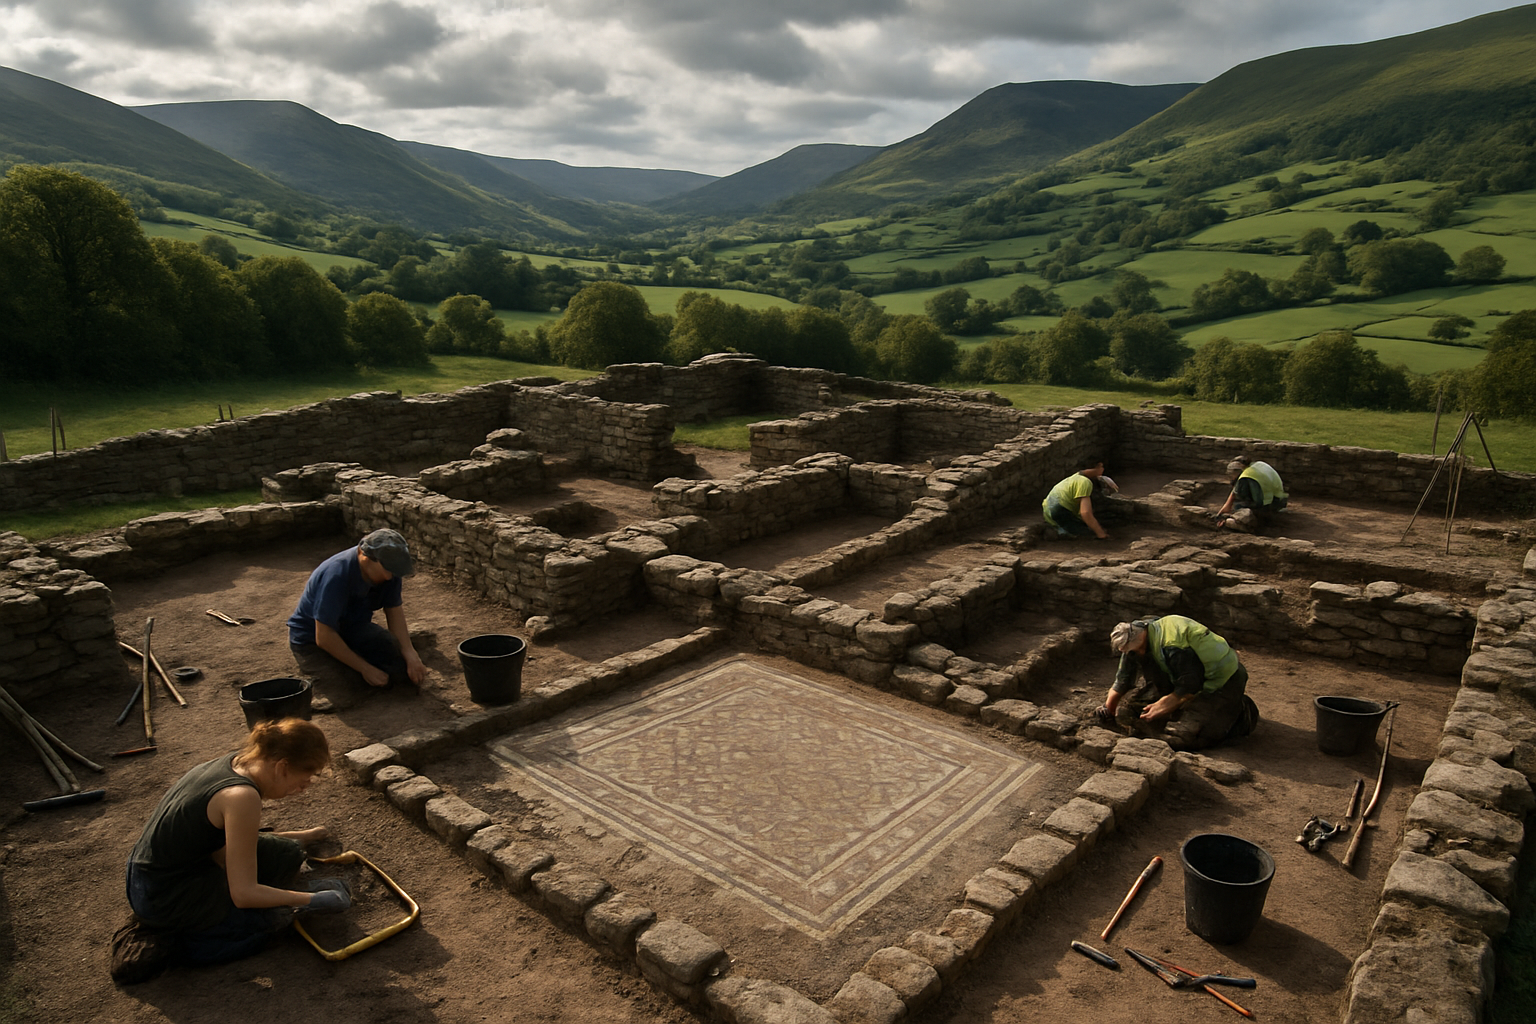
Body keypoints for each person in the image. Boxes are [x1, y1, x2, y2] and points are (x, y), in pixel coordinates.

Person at [111, 719, 348, 984]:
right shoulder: (242, 796)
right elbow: (244, 894)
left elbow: (226, 843)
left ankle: (212, 911)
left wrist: (299, 838)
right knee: (262, 924)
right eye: (302, 783)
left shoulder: (237, 763)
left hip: (161, 869)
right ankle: (173, 938)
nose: (300, 791)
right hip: (163, 893)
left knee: (287, 854)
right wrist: (308, 899)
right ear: (282, 767)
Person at [288, 528, 427, 699]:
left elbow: (394, 610)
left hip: (353, 627)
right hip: (312, 639)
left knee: (392, 652)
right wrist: (365, 668)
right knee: (347, 688)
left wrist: (410, 652)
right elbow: (324, 636)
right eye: (387, 570)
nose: (390, 577)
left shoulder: (391, 571)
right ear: (364, 556)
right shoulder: (337, 576)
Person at [1094, 616, 1258, 750]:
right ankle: (1182, 709)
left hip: (1222, 681)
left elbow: (1191, 683)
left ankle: (1240, 711)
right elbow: (1124, 678)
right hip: (1181, 677)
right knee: (1132, 710)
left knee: (1182, 737)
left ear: (1141, 640)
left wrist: (1167, 703)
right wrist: (1108, 709)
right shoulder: (1136, 636)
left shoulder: (1173, 646)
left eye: (1135, 651)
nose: (1134, 654)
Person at [1041, 457, 1119, 540]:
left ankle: (1058, 527)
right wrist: (1101, 534)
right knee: (1089, 533)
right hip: (1059, 512)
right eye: (1101, 467)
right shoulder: (1085, 482)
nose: (1102, 470)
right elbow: (1085, 513)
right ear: (1098, 466)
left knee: (1091, 525)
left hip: (1048, 511)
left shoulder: (1076, 477)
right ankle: (1057, 531)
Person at [1214, 456, 1287, 533]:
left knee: (1236, 511)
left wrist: (1226, 516)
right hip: (1280, 501)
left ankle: (1252, 526)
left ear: (1236, 472)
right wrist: (1221, 513)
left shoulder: (1245, 478)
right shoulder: (1258, 465)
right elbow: (1232, 495)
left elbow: (1255, 502)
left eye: (1231, 475)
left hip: (1267, 508)